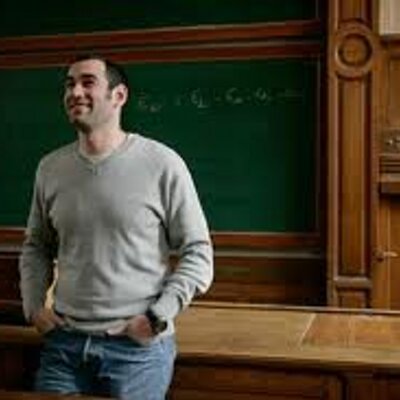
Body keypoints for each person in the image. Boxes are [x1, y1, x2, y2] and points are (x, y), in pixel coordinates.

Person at [19, 55, 214, 400]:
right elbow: (36, 246)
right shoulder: (50, 168)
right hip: (64, 345)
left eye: (88, 82)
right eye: (69, 84)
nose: (75, 92)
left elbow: (198, 252)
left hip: (136, 351)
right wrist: (34, 307)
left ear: (119, 96)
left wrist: (157, 317)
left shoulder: (162, 163)